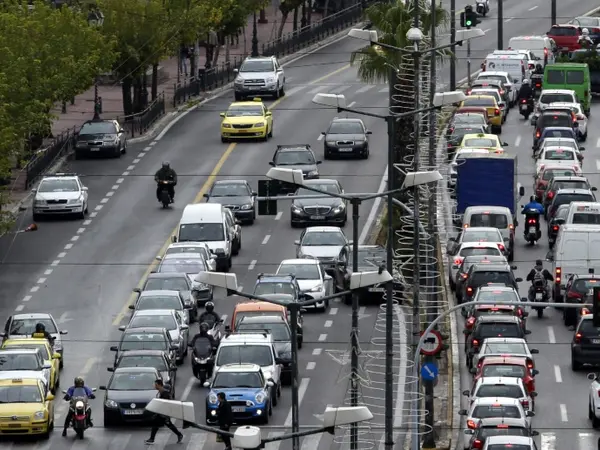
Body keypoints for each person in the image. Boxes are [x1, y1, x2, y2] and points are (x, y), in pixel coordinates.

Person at [145, 379, 183, 445]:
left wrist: (165, 415)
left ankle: (152, 439)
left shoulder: (164, 393)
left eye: (156, 384)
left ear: (159, 385)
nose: (155, 386)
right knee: (165, 424)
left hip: (164, 413)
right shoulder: (161, 391)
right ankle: (179, 435)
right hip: (162, 413)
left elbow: (166, 404)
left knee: (159, 424)